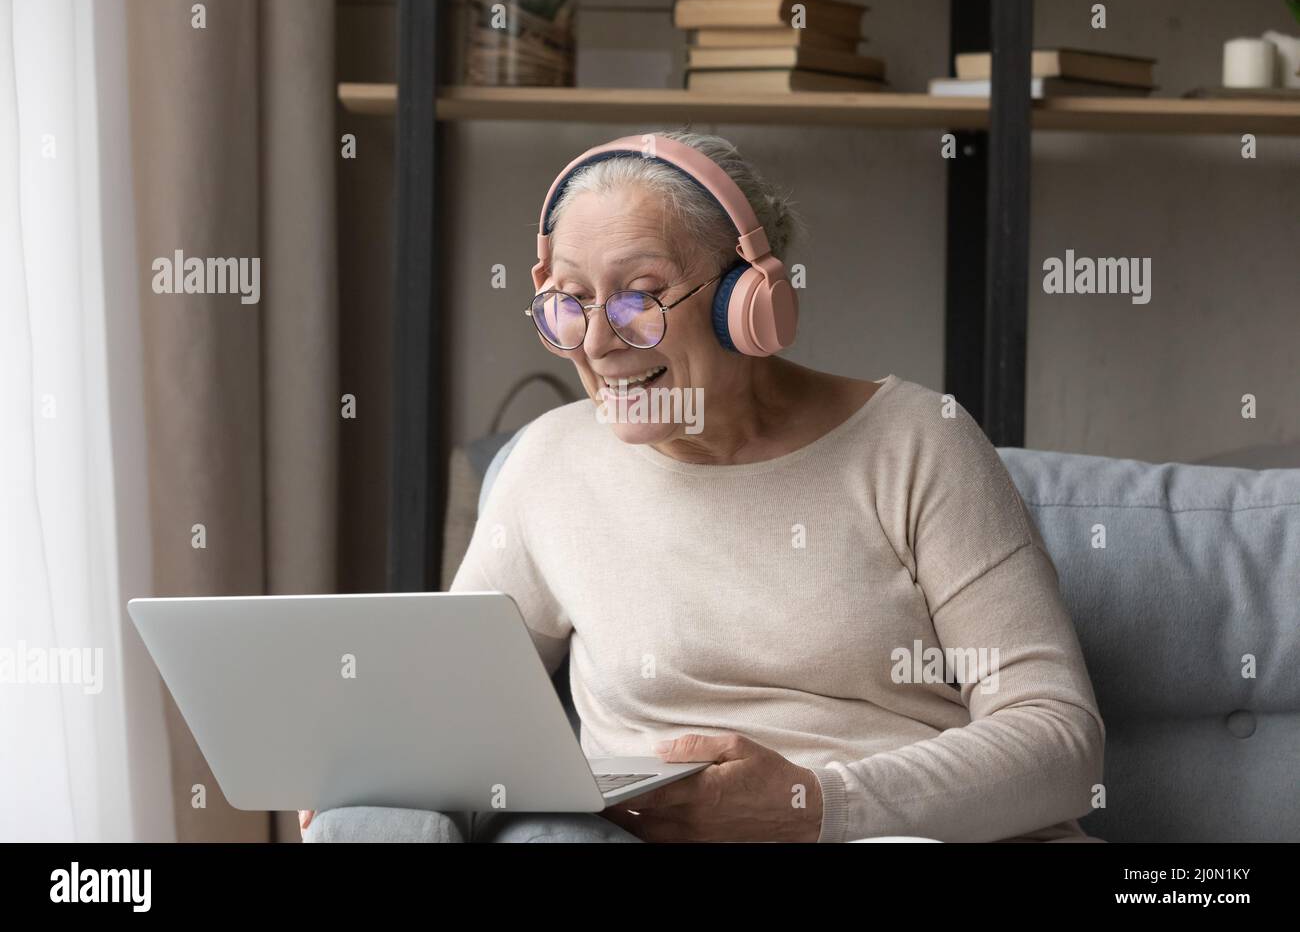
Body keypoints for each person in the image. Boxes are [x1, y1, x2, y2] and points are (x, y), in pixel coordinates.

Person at [302, 129, 1104, 843]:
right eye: (569, 302)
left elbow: (1059, 740)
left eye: (638, 298)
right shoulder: (547, 465)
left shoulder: (919, 443)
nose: (601, 342)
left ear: (747, 301)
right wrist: (368, 764)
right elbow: (450, 701)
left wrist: (812, 804)